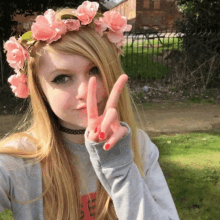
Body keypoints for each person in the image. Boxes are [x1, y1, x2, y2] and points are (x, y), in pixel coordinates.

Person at [0, 1, 180, 220]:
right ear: (40, 90)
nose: (86, 92)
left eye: (95, 70)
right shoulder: (17, 159)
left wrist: (120, 167)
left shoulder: (139, 147)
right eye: (62, 78)